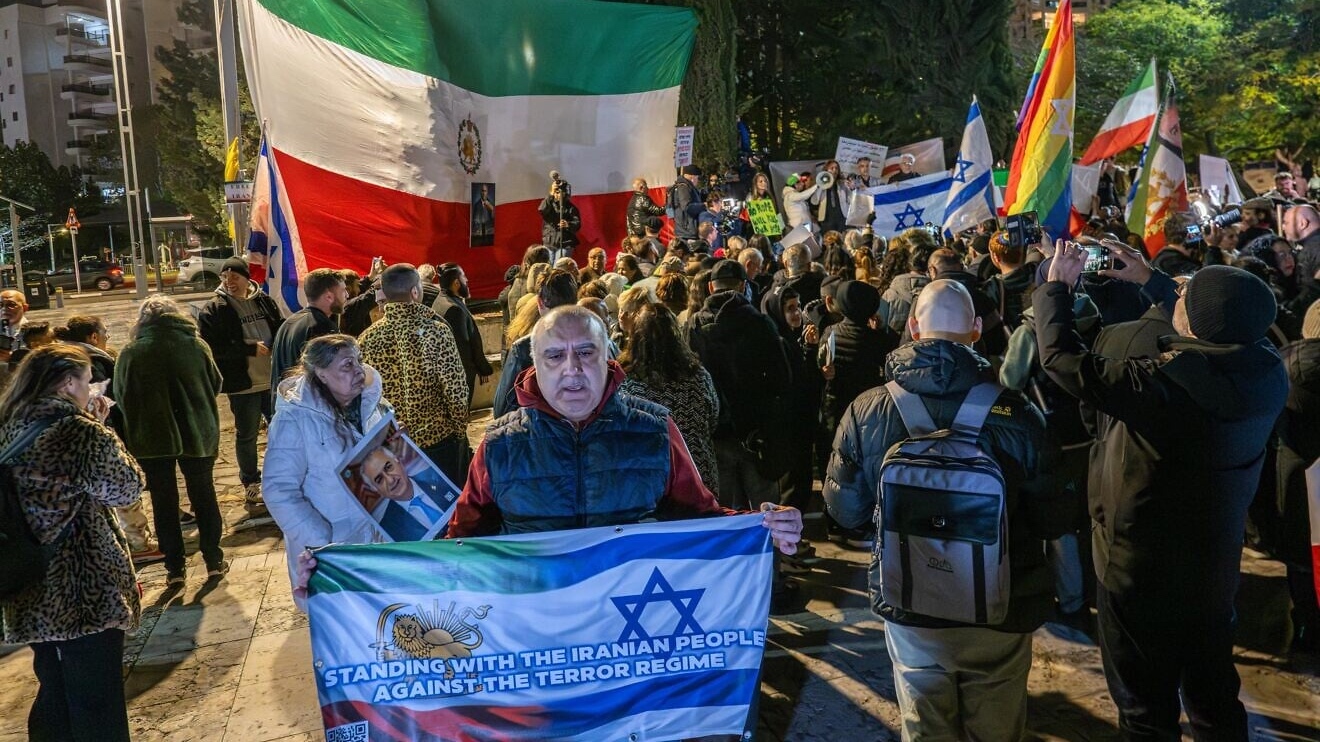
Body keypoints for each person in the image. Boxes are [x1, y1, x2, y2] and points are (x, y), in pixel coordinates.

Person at [1034, 243, 1288, 740]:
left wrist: (1056, 287)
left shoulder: (1165, 384)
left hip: (1138, 572)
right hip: (1212, 567)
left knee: (1145, 710)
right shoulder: (1266, 370)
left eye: (1186, 292)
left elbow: (1062, 360)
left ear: (1192, 325)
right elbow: (1213, 319)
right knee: (1213, 697)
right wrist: (1149, 279)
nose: (1179, 289)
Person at [824, 280, 1057, 742]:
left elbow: (845, 512)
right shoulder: (1018, 411)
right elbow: (1055, 517)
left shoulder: (867, 410)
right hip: (1001, 603)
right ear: (975, 330)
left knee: (925, 726)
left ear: (912, 327)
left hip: (911, 599)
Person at [448, 305, 802, 551]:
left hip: (630, 639)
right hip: (537, 640)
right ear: (536, 364)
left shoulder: (655, 430)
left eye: (586, 352)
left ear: (607, 358)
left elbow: (700, 518)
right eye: (555, 356)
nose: (572, 368)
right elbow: (462, 544)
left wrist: (761, 526)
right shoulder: (499, 446)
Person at [0, 345, 145, 742]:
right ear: (67, 383)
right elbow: (126, 486)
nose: (89, 388)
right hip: (83, 590)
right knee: (97, 703)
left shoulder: (10, 422)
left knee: (55, 692)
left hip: (28, 584)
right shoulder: (76, 430)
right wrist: (103, 429)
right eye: (86, 381)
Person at [264, 334, 394, 606]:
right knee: (340, 635)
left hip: (376, 543)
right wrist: (322, 543)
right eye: (347, 365)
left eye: (359, 361)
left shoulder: (372, 405)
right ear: (321, 374)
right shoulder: (295, 417)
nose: (359, 371)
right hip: (331, 552)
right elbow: (278, 491)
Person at [115, 296, 227, 587]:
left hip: (153, 436)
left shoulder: (131, 352)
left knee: (164, 503)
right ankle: (214, 559)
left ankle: (174, 567)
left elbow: (120, 395)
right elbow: (216, 383)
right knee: (204, 494)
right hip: (197, 430)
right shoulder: (195, 345)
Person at [686, 260, 793, 509]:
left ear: (711, 288)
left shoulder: (693, 326)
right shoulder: (760, 323)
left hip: (715, 433)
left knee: (726, 511)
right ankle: (771, 549)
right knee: (766, 511)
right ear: (744, 286)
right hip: (756, 434)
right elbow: (782, 378)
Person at [358, 264, 470, 484]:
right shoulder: (436, 331)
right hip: (438, 439)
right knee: (449, 508)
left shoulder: (367, 339)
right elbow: (456, 391)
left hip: (393, 444)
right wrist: (458, 431)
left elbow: (364, 397)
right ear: (415, 292)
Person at [197, 257, 284, 511]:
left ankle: (282, 475)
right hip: (243, 384)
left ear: (247, 278)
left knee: (281, 429)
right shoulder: (215, 308)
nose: (229, 281)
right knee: (246, 434)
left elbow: (278, 328)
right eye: (225, 277)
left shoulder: (263, 300)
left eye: (234, 276)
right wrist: (247, 348)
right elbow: (212, 346)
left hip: (271, 380)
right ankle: (251, 482)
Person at [619, 303, 721, 496]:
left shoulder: (625, 381)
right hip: (697, 472)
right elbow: (713, 417)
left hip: (648, 474)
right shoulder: (698, 375)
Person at [494, 268, 580, 418]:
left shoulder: (523, 349)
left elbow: (502, 409)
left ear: (539, 302)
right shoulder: (596, 340)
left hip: (540, 435)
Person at [270, 267, 345, 389]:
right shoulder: (322, 327)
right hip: (307, 405)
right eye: (343, 291)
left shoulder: (288, 323)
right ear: (329, 297)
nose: (346, 295)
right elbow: (328, 379)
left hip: (285, 404)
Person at [432, 262, 494, 404]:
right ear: (456, 283)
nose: (467, 280)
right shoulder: (454, 309)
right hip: (460, 375)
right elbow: (463, 347)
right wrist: (482, 368)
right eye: (464, 277)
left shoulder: (440, 300)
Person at [538, 178, 581, 262]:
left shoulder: (571, 208)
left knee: (559, 268)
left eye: (562, 193)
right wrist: (551, 194)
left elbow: (577, 224)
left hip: (565, 244)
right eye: (557, 193)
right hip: (549, 243)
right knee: (549, 268)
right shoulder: (549, 204)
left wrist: (568, 224)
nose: (559, 195)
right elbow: (542, 210)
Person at [811, 160, 850, 233]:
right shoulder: (820, 184)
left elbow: (850, 199)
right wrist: (821, 187)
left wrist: (849, 187)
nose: (834, 170)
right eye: (831, 168)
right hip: (827, 220)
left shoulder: (842, 184)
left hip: (842, 218)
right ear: (826, 170)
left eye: (836, 168)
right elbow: (814, 201)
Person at [670, 165, 705, 242]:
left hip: (685, 229)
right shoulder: (683, 187)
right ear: (692, 177)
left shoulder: (684, 186)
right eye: (697, 178)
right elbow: (687, 207)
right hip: (687, 231)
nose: (698, 181)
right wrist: (704, 206)